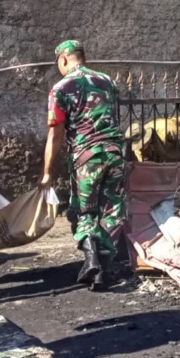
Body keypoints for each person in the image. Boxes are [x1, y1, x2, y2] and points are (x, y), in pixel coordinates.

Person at [40, 40, 125, 290]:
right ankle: (105, 269)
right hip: (115, 153)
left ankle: (91, 260)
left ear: (64, 59)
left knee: (84, 211)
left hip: (86, 157)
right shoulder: (108, 81)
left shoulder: (61, 88)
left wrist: (47, 172)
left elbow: (55, 135)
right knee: (112, 211)